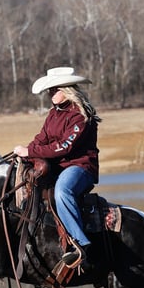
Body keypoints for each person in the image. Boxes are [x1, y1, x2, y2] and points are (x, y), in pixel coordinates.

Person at [13, 66, 101, 267]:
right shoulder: (54, 114)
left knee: (62, 191)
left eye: (55, 89)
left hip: (80, 167)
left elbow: (64, 146)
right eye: (49, 90)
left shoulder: (80, 115)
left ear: (67, 90)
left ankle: (81, 244)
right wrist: (26, 152)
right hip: (58, 167)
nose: (50, 93)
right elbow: (41, 139)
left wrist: (30, 151)